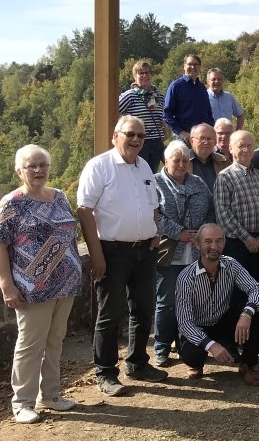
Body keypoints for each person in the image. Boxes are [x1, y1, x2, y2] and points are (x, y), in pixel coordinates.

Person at [0, 144, 97, 423]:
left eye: (43, 165)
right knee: (30, 344)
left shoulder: (60, 197)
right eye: (31, 166)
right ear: (19, 171)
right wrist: (6, 286)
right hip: (31, 289)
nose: (38, 170)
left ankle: (50, 395)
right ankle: (22, 403)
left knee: (55, 340)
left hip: (65, 284)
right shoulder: (10, 203)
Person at [76, 116, 167, 396]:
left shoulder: (144, 168)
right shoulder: (99, 166)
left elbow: (153, 206)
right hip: (112, 252)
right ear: (116, 136)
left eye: (141, 135)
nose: (136, 139)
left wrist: (154, 231)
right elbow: (84, 210)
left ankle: (138, 363)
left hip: (144, 251)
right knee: (110, 314)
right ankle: (105, 373)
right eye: (130, 134)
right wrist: (96, 255)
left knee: (143, 310)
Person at [174, 224, 259, 385]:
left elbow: (256, 288)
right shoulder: (186, 277)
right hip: (199, 327)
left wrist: (246, 314)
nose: (214, 246)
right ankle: (197, 364)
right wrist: (211, 346)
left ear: (224, 243)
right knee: (191, 355)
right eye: (208, 241)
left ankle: (248, 365)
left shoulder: (231, 264)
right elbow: (185, 323)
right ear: (198, 244)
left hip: (223, 321)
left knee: (255, 312)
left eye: (219, 241)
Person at [213, 131, 259, 377]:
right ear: (231, 149)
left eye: (250, 145)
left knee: (258, 298)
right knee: (238, 298)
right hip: (238, 245)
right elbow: (223, 215)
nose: (247, 149)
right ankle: (236, 348)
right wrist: (248, 239)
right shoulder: (225, 178)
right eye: (241, 146)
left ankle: (251, 356)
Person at [153, 141, 215, 367]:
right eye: (175, 160)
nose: (180, 165)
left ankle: (186, 345)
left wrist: (203, 233)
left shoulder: (198, 183)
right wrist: (179, 233)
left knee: (191, 302)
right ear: (166, 161)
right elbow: (154, 215)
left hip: (196, 254)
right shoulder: (155, 183)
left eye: (184, 160)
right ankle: (161, 347)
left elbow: (211, 209)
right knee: (166, 302)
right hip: (170, 254)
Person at [118, 60, 166, 171]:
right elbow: (113, 112)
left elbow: (162, 116)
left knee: (151, 175)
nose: (145, 75)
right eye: (141, 73)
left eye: (147, 72)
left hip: (157, 142)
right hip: (139, 142)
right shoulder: (129, 95)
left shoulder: (158, 95)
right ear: (135, 76)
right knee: (138, 172)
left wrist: (164, 130)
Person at [163, 54, 213, 143]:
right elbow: (167, 114)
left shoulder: (202, 87)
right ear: (184, 66)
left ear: (200, 67)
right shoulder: (176, 86)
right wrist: (181, 132)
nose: (193, 67)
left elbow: (208, 113)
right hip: (183, 138)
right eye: (190, 64)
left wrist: (211, 129)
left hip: (203, 138)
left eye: (196, 64)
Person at [188, 123, 231, 193]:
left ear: (215, 142)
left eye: (209, 139)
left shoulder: (224, 162)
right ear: (191, 141)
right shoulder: (182, 162)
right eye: (202, 138)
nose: (206, 142)